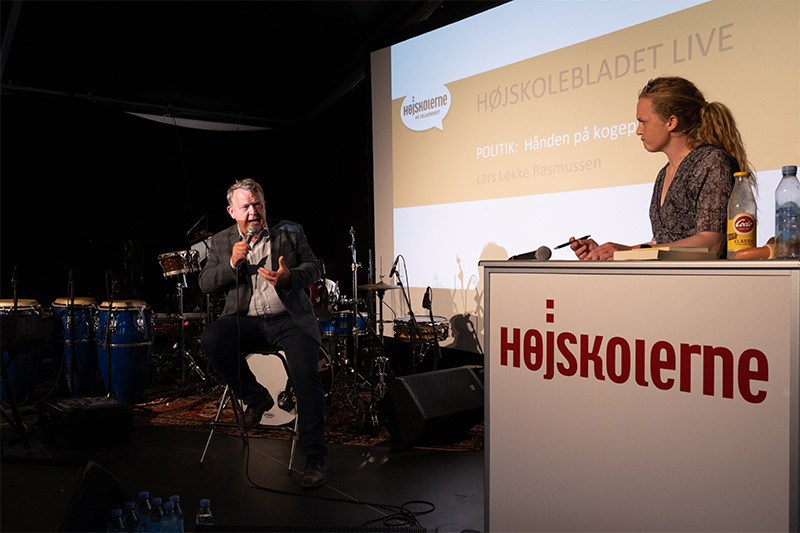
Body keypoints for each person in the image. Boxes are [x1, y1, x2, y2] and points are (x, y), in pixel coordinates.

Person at [199, 178, 327, 488]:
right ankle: (256, 398)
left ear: (265, 205)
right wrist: (231, 263)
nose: (254, 212)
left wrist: (289, 278)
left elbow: (315, 268)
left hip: (289, 320)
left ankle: (314, 458)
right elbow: (205, 283)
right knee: (212, 339)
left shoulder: (290, 231)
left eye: (258, 204)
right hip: (248, 320)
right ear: (232, 211)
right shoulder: (221, 241)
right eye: (246, 207)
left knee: (305, 375)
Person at [571, 76, 752, 260]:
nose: (638, 130)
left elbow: (710, 244)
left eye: (643, 121)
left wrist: (630, 253)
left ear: (671, 122)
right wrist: (610, 252)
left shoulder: (711, 161)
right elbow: (663, 243)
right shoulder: (664, 173)